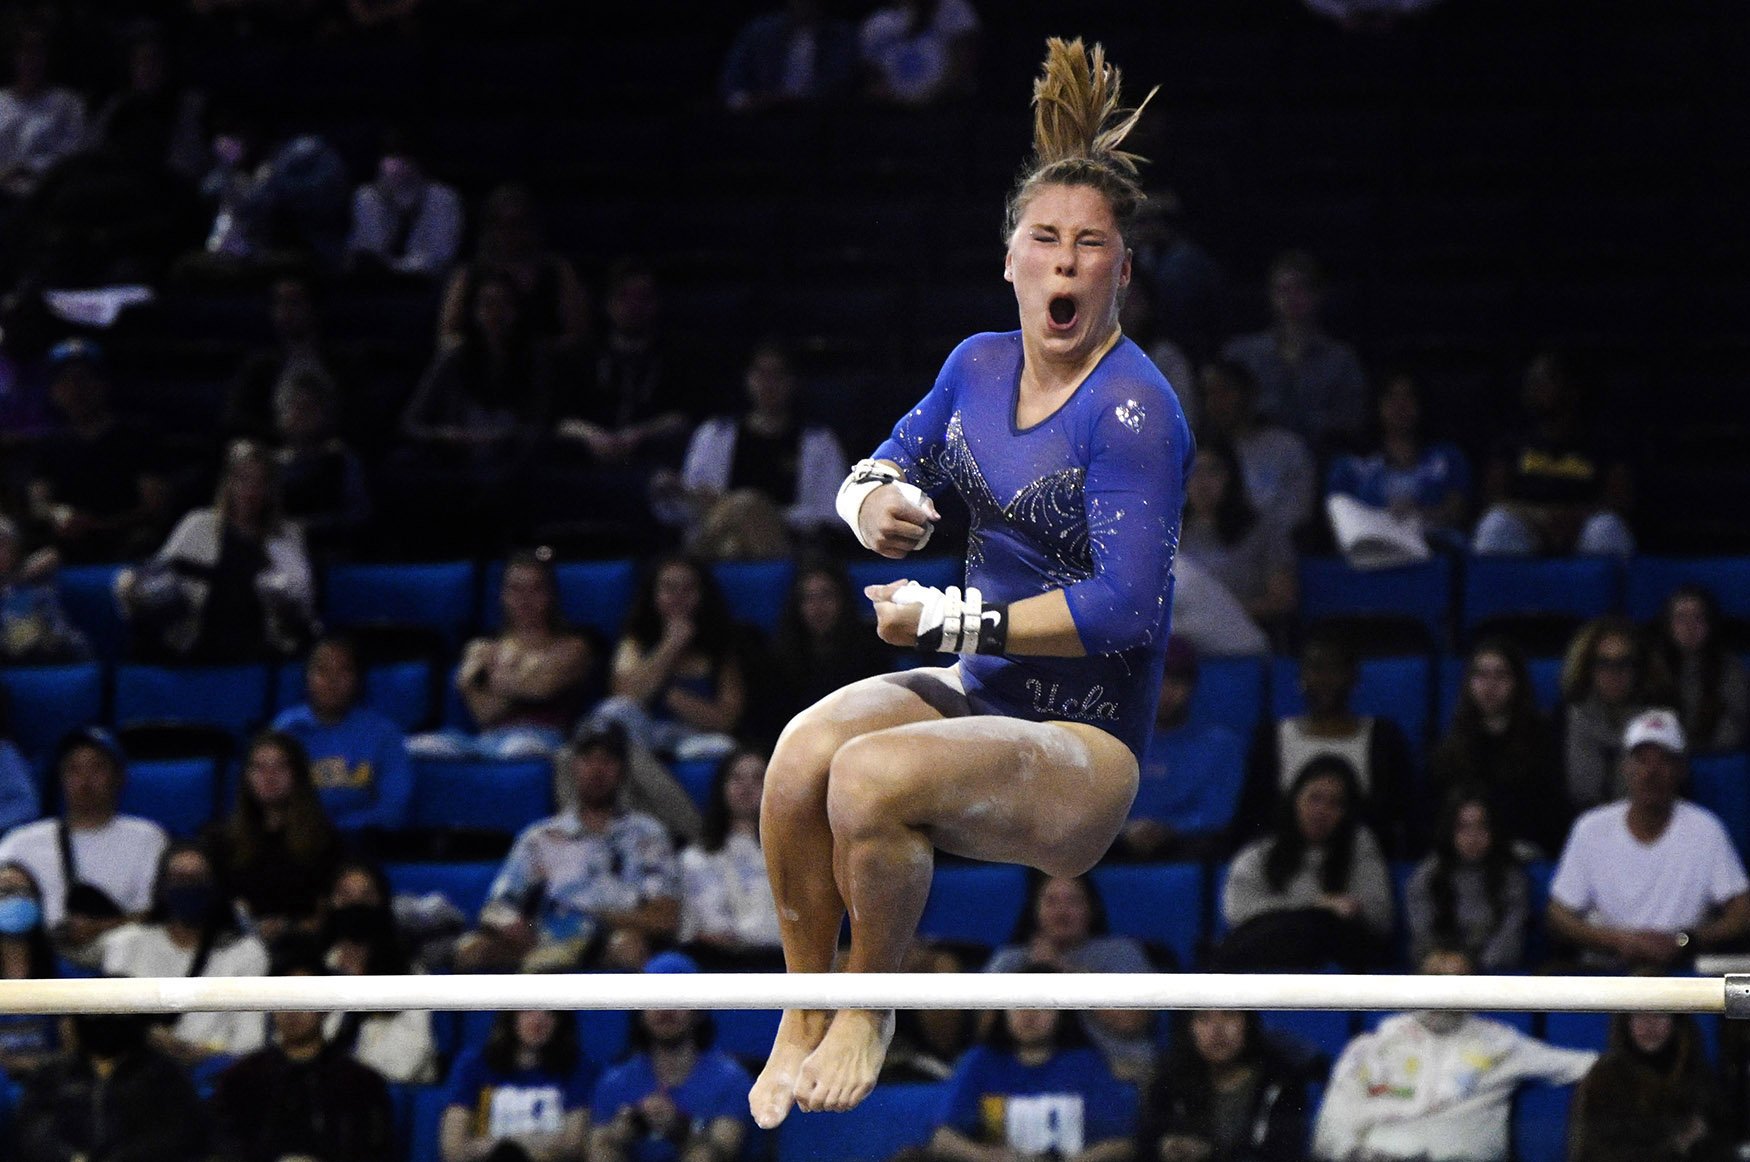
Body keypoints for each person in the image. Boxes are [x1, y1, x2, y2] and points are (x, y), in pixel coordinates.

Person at [750, 38, 1189, 1126]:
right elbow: (882, 460)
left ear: (1121, 271)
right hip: (983, 692)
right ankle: (804, 1007)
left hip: (1084, 744)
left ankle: (871, 1004)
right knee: (801, 756)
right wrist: (870, 505)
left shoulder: (1135, 409)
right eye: (1044, 239)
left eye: (1091, 246)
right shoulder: (977, 365)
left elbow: (1124, 609)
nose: (1065, 263)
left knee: (870, 780)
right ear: (1010, 260)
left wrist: (954, 610)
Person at [1310, 947, 1596, 1162]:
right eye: (1435, 977)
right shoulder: (1374, 1046)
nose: (1444, 988)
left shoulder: (1500, 1044)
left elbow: (1584, 1065)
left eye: (1457, 979)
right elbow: (1333, 1122)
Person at [455, 724, 680, 973]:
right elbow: (496, 908)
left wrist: (595, 918)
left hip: (608, 939)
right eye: (588, 759)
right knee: (472, 949)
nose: (597, 770)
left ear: (622, 770)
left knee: (627, 945)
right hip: (540, 937)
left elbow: (665, 918)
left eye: (607, 760)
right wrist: (511, 924)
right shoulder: (540, 837)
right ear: (574, 765)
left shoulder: (647, 834)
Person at [1546, 708, 1750, 972]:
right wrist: (1617, 941)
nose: (1651, 772)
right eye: (1642, 760)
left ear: (1680, 769)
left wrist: (1684, 941)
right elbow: (1558, 914)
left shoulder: (1705, 829)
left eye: (1664, 761)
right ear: (1625, 767)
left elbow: (1742, 914)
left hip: (1681, 972)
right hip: (1607, 971)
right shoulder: (1591, 828)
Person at [116, 439, 316, 663]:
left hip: (261, 648)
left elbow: (303, 603)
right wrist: (135, 587)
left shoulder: (288, 535)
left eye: (260, 482)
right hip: (196, 643)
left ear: (272, 488)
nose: (251, 490)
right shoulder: (199, 525)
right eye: (243, 479)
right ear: (229, 483)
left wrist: (283, 602)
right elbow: (159, 575)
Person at [665, 339, 849, 556]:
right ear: (748, 379)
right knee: (730, 541)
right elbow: (694, 502)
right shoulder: (715, 434)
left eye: (777, 375)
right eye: (761, 374)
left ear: (792, 382)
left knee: (747, 507)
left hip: (789, 544)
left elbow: (832, 514)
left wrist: (761, 513)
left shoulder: (819, 441)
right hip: (721, 541)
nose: (768, 384)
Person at [1235, 630, 1413, 855]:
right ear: (1301, 676)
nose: (1324, 680)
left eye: (1334, 669)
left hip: (1360, 859)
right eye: (1315, 669)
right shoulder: (1271, 737)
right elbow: (1252, 818)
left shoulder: (1384, 737)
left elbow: (1403, 813)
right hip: (1285, 861)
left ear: (1353, 677)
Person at [99, 841, 271, 1073]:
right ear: (161, 886)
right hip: (136, 1076)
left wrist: (205, 1055)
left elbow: (250, 1040)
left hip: (213, 1075)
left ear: (217, 886)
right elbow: (110, 1028)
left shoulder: (246, 952)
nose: (188, 887)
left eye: (198, 879)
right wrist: (148, 1036)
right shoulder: (124, 943)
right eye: (179, 878)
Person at [0, 727, 168, 963]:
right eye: (74, 769)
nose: (85, 780)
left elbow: (155, 915)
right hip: (36, 950)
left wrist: (97, 927)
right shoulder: (20, 842)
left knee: (129, 942)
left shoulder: (147, 837)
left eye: (97, 768)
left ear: (119, 776)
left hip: (112, 943)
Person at [208, 952, 396, 1162]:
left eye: (303, 999)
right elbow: (223, 1147)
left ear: (325, 1007)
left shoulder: (361, 1084)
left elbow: (374, 1151)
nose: (292, 1011)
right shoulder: (240, 1080)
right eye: (283, 999)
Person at [913, 988, 1134, 1162]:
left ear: (1062, 1013)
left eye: (1041, 1006)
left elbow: (1122, 1144)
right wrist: (992, 1159)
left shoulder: (1086, 1063)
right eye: (1018, 1005)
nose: (1028, 1015)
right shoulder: (980, 1061)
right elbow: (942, 1138)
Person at [1216, 755, 1393, 972]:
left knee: (1324, 927)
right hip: (1266, 956)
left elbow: (1379, 918)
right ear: (1295, 799)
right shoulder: (1259, 853)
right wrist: (1316, 907)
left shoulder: (1360, 846)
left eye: (1335, 803)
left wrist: (1331, 915)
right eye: (1314, 798)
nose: (1321, 811)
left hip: (1337, 963)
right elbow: (1238, 913)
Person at [412, 551, 593, 760]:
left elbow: (540, 689)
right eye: (515, 589)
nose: (525, 600)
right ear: (502, 595)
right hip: (486, 740)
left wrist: (492, 678)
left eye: (535, 589)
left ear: (551, 594)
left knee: (517, 749)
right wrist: (526, 678)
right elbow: (485, 714)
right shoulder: (481, 647)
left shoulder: (574, 647)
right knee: (416, 746)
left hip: (543, 740)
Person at [983, 872, 1158, 1081]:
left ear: (1092, 908)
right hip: (1024, 1075)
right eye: (1051, 901)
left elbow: (1133, 1021)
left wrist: (1063, 969)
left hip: (1115, 1069)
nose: (1061, 911)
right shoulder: (1009, 960)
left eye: (1073, 901)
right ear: (1034, 909)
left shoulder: (1121, 952)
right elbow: (984, 1031)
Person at [589, 952, 753, 1162]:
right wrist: (618, 1137)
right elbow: (596, 1152)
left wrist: (681, 1130)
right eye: (655, 999)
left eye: (678, 998)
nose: (666, 1009)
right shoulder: (614, 1082)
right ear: (639, 1010)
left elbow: (721, 1154)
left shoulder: (731, 1080)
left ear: (700, 1009)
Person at [1472, 349, 1635, 557]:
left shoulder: (1603, 443)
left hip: (1582, 529)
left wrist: (1572, 518)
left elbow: (1620, 501)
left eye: (1543, 381)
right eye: (1531, 381)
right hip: (1529, 527)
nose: (1532, 388)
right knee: (1495, 528)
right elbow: (1493, 497)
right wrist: (1539, 517)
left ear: (1572, 389)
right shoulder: (1512, 443)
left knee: (1607, 530)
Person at [26, 338, 173, 564]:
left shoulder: (137, 437)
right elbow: (39, 502)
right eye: (65, 381)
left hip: (125, 545)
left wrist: (99, 525)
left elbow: (154, 506)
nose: (75, 389)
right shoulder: (48, 445)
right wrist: (58, 515)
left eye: (83, 379)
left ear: (103, 384)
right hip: (65, 546)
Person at [589, 554, 747, 762]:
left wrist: (669, 696)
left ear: (703, 595)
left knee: (722, 747)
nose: (678, 597)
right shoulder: (634, 641)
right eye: (669, 588)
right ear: (653, 595)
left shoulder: (720, 647)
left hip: (693, 739)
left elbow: (727, 719)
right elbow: (624, 698)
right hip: (641, 735)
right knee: (610, 715)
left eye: (688, 589)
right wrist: (671, 646)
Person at [1428, 637, 1569, 858]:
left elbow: (1550, 814)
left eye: (1501, 675)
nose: (1490, 685)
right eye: (1481, 675)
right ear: (1469, 683)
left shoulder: (1543, 741)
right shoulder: (1450, 747)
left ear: (1517, 683)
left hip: (1523, 855)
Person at [1219, 249, 1367, 449]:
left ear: (1317, 295)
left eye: (1300, 289)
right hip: (1253, 460)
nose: (1291, 298)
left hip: (1321, 455)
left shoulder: (1341, 359)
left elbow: (1350, 421)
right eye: (1283, 290)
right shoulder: (1242, 354)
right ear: (1271, 296)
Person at [1120, 637, 1250, 861]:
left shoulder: (1221, 744)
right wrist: (1126, 831)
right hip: (1122, 845)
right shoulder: (1116, 742)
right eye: (1157, 680)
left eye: (1176, 681)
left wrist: (1171, 829)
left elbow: (1217, 812)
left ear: (1192, 685)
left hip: (1187, 846)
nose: (1166, 692)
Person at [13, 1014, 207, 1162]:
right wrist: (73, 1158)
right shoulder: (53, 1073)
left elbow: (178, 1133)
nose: (104, 1027)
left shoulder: (164, 1073)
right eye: (94, 1017)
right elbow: (33, 1130)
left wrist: (121, 1158)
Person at [210, 730, 343, 946]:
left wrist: (291, 928)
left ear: (297, 774)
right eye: (259, 767)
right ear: (246, 775)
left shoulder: (325, 840)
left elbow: (328, 910)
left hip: (305, 947)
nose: (269, 775)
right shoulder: (222, 840)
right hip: (239, 947)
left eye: (280, 766)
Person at [273, 634, 415, 834]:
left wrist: (339, 830)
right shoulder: (286, 729)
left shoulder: (384, 734)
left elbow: (393, 808)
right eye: (322, 670)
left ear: (358, 678)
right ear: (307, 677)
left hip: (360, 843)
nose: (332, 680)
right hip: (296, 841)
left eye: (343, 671)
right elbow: (268, 801)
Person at [320, 858, 439, 1083]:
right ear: (330, 902)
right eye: (345, 896)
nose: (355, 906)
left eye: (366, 896)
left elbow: (411, 1057)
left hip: (382, 1094)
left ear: (382, 902)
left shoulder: (409, 976)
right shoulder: (315, 970)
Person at [1325, 370, 1473, 551]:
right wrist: (1385, 520)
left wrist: (1418, 516)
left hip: (1434, 548)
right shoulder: (1349, 465)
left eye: (1408, 397)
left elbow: (1456, 511)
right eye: (1391, 397)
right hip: (1371, 549)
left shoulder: (1447, 457)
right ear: (1377, 405)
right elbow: (1338, 520)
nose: (1400, 406)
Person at [1174, 436, 1297, 653]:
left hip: (1241, 644)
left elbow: (1282, 600)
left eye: (1213, 471)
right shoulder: (1172, 531)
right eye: (1194, 470)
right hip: (1182, 649)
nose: (1202, 482)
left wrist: (1223, 612)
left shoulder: (1263, 530)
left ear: (1232, 476)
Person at [1136, 1009, 1308, 1162]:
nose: (1217, 1030)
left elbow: (1283, 1154)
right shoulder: (1168, 1083)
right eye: (1204, 1018)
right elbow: (1146, 1144)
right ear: (1187, 1028)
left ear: (1248, 1022)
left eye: (1229, 1015)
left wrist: (1211, 1152)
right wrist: (1163, 1148)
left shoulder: (1281, 1083)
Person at [440, 183, 591, 348]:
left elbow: (577, 333)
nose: (509, 233)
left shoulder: (557, 271)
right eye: (501, 224)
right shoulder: (470, 275)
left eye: (517, 224)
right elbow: (448, 335)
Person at [1568, 1011, 1730, 1162]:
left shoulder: (1696, 1076)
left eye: (1659, 1015)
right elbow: (1592, 1151)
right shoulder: (1604, 1079)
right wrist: (1673, 1148)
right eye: (1640, 1016)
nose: (1649, 1025)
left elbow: (1722, 1143)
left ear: (1676, 1021)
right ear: (1626, 1022)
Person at [1404, 787, 1531, 971]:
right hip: (1436, 970)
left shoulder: (1511, 877)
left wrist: (1472, 965)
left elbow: (1510, 939)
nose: (1473, 837)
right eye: (1463, 827)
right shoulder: (1429, 874)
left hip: (1490, 977)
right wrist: (1438, 960)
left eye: (1481, 827)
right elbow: (1421, 933)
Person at [441, 1009, 593, 1162]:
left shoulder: (577, 1068)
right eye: (527, 1011)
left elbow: (572, 1145)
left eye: (550, 1012)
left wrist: (503, 1145)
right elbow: (453, 1148)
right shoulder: (473, 1065)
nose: (538, 1019)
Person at [765, 556, 895, 734]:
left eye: (826, 595)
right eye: (808, 598)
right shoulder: (780, 658)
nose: (817, 607)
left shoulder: (869, 652)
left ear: (843, 599)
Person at [679, 748, 782, 969]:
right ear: (721, 787)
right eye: (737, 777)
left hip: (779, 962)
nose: (746, 787)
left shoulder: (791, 855)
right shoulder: (696, 857)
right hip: (718, 962)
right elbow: (704, 929)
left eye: (757, 778)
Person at [1197, 359, 1317, 536]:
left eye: (1225, 391)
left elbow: (1299, 512)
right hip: (1210, 551)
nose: (1216, 401)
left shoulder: (1287, 447)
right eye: (1210, 393)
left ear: (1250, 394)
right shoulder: (1199, 453)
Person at [1560, 616, 1657, 813]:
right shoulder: (1564, 719)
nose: (1615, 673)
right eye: (1604, 663)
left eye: (1624, 663)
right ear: (1587, 668)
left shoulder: (1659, 723)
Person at [345, 125, 464, 278]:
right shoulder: (366, 197)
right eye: (390, 154)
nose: (395, 164)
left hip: (429, 286)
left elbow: (441, 258)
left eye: (403, 156)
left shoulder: (443, 198)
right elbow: (368, 251)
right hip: (377, 285)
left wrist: (395, 268)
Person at [1653, 584, 1748, 754]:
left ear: (1710, 623)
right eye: (1681, 618)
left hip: (1717, 757)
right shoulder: (1652, 668)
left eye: (1698, 618)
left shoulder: (1731, 670)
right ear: (1668, 624)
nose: (1689, 626)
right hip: (1661, 759)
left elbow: (1736, 725)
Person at [720, 0, 859, 113]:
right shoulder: (759, 33)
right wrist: (749, 102)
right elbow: (732, 83)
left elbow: (839, 86)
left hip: (819, 126)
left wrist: (795, 103)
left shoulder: (842, 37)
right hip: (760, 121)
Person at [0, 22, 86, 202]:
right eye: (24, 51)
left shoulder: (67, 103)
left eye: (37, 52)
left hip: (47, 196)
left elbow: (73, 154)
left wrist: (27, 168)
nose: (30, 59)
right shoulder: (2, 101)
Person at [0, 511, 90, 666]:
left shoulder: (35, 587)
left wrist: (44, 638)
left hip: (47, 661)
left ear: (14, 550)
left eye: (1, 545)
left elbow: (73, 646)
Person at [858, 0, 982, 107]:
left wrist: (926, 97)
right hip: (893, 113)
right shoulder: (878, 25)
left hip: (946, 109)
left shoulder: (956, 12)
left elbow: (963, 70)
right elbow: (872, 83)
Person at [0, 862, 60, 1080]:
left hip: (51, 1085)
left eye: (23, 891)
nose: (14, 899)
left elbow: (74, 1054)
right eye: (5, 892)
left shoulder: (63, 972)